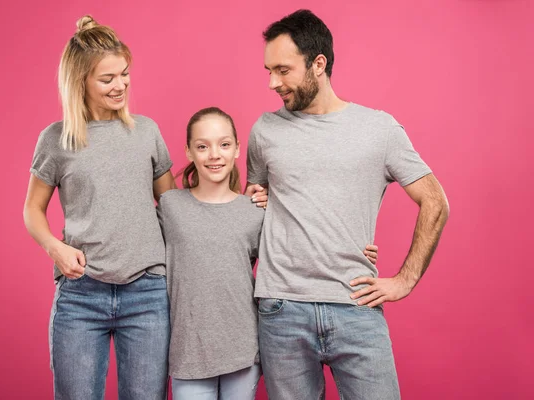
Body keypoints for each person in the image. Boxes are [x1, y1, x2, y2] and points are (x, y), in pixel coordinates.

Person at [246, 9, 450, 400]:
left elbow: (435, 201)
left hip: (355, 305)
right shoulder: (264, 130)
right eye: (269, 70)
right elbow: (250, 212)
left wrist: (405, 280)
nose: (273, 82)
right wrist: (258, 201)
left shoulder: (378, 129)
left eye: (283, 70)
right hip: (281, 309)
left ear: (318, 64)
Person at [158, 107, 381, 399]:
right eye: (203, 146)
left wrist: (352, 249)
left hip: (243, 348)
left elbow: (298, 248)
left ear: (238, 149)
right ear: (188, 151)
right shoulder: (170, 206)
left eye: (224, 144)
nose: (214, 154)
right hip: (189, 351)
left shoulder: (256, 211)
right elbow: (140, 247)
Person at [23, 15, 175, 400]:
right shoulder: (57, 140)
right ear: (81, 84)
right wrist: (55, 248)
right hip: (81, 294)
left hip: (147, 293)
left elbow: (172, 207)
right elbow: (32, 210)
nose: (120, 85)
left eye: (124, 74)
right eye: (107, 79)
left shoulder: (146, 132)